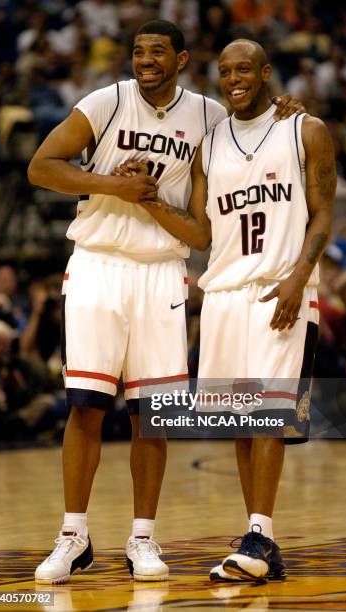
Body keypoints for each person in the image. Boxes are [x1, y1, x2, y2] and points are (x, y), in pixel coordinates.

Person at [27, 19, 303, 585]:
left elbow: (253, 131)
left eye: (157, 52)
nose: (145, 60)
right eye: (137, 51)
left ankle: (143, 537)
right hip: (98, 264)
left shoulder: (206, 115)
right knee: (85, 406)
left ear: (180, 60)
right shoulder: (106, 101)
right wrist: (112, 185)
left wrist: (285, 109)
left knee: (151, 414)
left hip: (162, 271)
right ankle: (73, 535)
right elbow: (41, 167)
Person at [122, 39, 336, 582]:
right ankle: (261, 542)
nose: (234, 78)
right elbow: (201, 232)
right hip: (222, 295)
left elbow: (323, 215)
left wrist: (299, 277)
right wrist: (145, 197)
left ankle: (260, 534)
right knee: (244, 422)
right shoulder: (209, 144)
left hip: (278, 291)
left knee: (268, 415)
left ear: (266, 72)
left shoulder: (304, 130)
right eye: (224, 71)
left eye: (245, 69)